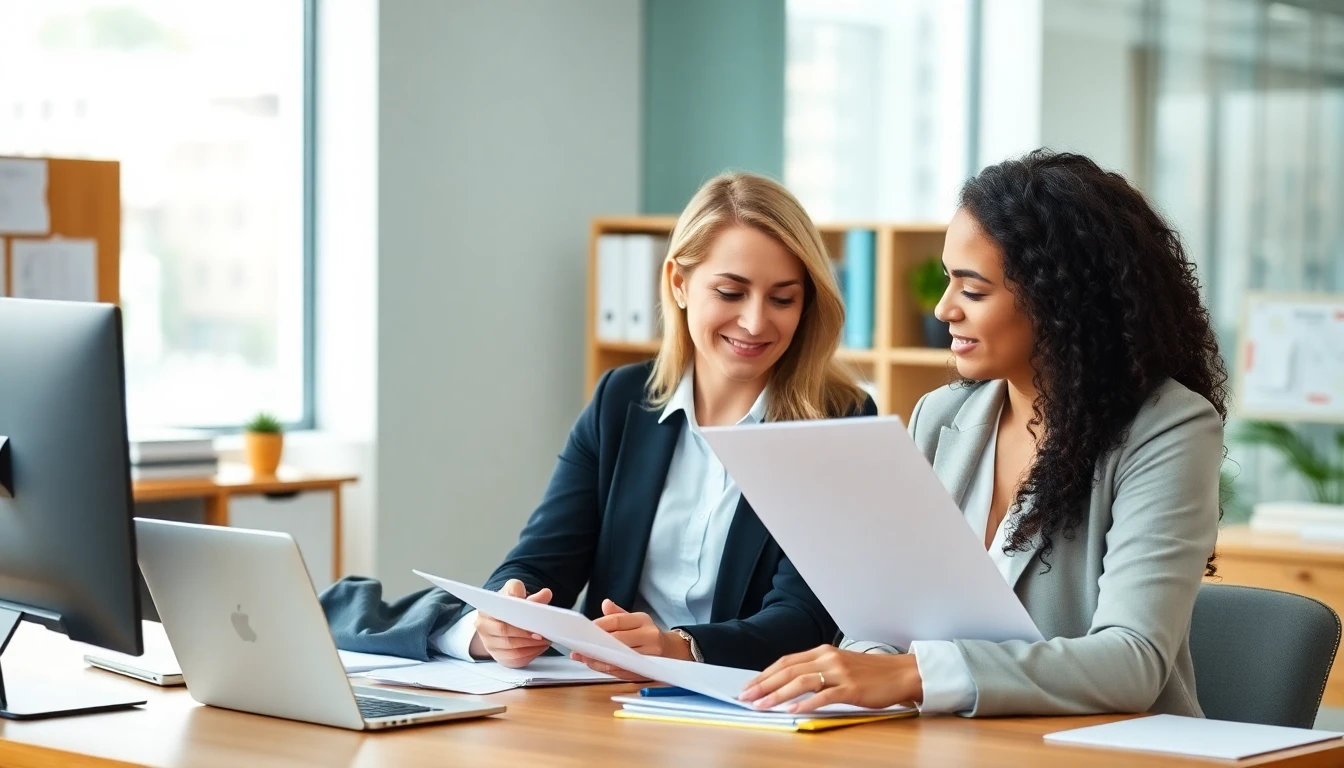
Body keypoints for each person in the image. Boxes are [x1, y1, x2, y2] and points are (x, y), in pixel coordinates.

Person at [740, 149, 1228, 716]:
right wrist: (860, 666)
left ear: (1059, 298)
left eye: (973, 291)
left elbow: (1132, 661)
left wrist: (912, 676)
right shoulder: (938, 416)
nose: (945, 309)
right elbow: (886, 620)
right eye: (949, 282)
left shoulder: (1167, 428)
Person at [431, 172, 876, 675]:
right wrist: (504, 615)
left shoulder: (841, 422)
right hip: (608, 699)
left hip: (748, 709)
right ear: (679, 284)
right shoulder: (620, 400)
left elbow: (806, 618)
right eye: (731, 293)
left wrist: (679, 649)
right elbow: (539, 562)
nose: (755, 322)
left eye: (782, 299)